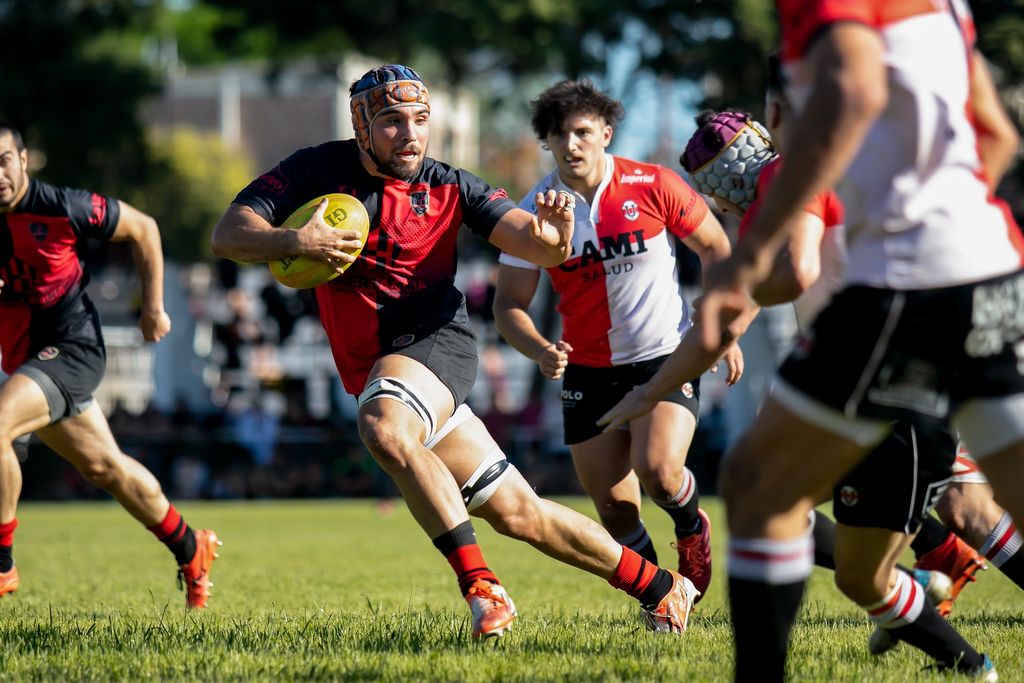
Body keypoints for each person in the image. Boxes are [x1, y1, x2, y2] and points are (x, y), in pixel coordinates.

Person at [211, 64, 700, 639]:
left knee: (384, 427)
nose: (411, 134)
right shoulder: (314, 169)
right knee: (522, 514)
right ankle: (663, 589)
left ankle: (481, 587)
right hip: (381, 369)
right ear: (361, 125)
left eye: (420, 120)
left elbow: (534, 245)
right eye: (392, 122)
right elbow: (229, 233)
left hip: (435, 344)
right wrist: (293, 240)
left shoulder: (451, 184)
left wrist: (554, 237)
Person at [689, 2, 1023, 679]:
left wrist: (747, 262)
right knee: (990, 496)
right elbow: (996, 134)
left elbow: (853, 91)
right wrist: (954, 226)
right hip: (989, 263)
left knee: (756, 482)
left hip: (906, 281)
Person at [492, 79, 740, 603]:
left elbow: (717, 248)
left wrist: (721, 328)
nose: (571, 144)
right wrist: (538, 347)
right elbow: (508, 305)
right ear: (547, 142)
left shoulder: (654, 184)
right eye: (559, 135)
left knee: (660, 471)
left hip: (664, 359)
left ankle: (691, 527)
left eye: (582, 132)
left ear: (606, 133)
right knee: (614, 512)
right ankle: (663, 598)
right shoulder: (533, 211)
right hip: (587, 372)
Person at [0, 121, 220, 608]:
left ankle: (2, 562)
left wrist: (153, 306)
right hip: (26, 362)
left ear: (24, 159)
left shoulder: (63, 207)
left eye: (3, 159)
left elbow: (144, 227)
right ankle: (191, 547)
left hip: (71, 350)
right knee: (106, 468)